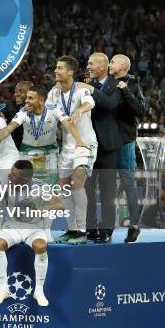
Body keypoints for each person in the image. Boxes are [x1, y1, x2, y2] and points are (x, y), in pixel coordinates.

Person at [0, 160, 63, 307]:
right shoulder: (6, 184)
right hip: (12, 226)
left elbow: (59, 205)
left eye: (14, 174)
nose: (10, 176)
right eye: (11, 171)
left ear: (26, 179)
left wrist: (43, 209)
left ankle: (39, 290)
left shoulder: (39, 186)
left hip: (34, 228)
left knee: (41, 247)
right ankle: (3, 289)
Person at [46, 56, 99, 245]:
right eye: (56, 67)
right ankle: (72, 229)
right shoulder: (53, 93)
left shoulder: (80, 89)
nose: (55, 71)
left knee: (77, 182)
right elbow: (53, 116)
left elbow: (90, 103)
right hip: (67, 146)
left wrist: (81, 110)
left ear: (69, 72)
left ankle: (83, 231)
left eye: (59, 68)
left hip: (85, 144)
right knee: (63, 187)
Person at [0, 84, 87, 186]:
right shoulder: (23, 111)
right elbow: (9, 128)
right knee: (25, 185)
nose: (26, 101)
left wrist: (79, 141)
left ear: (41, 101)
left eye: (30, 98)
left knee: (50, 186)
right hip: (27, 152)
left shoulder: (54, 108)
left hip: (49, 151)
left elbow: (68, 124)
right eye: (27, 97)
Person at [83, 52, 123, 243]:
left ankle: (106, 229)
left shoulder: (117, 85)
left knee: (108, 192)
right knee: (87, 190)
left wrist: (90, 88)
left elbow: (110, 105)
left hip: (108, 146)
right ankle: (90, 227)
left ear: (102, 67)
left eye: (91, 64)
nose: (88, 66)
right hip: (87, 147)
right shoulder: (82, 84)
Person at [109, 54, 145, 243]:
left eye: (113, 61)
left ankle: (134, 226)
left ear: (123, 66)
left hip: (124, 141)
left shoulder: (133, 84)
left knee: (127, 183)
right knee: (105, 185)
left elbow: (141, 110)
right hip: (105, 142)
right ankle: (105, 227)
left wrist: (126, 91)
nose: (109, 64)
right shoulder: (105, 82)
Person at [2, 81, 33, 149]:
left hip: (31, 146)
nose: (16, 94)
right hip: (12, 147)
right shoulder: (8, 104)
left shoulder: (37, 107)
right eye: (15, 91)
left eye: (21, 92)